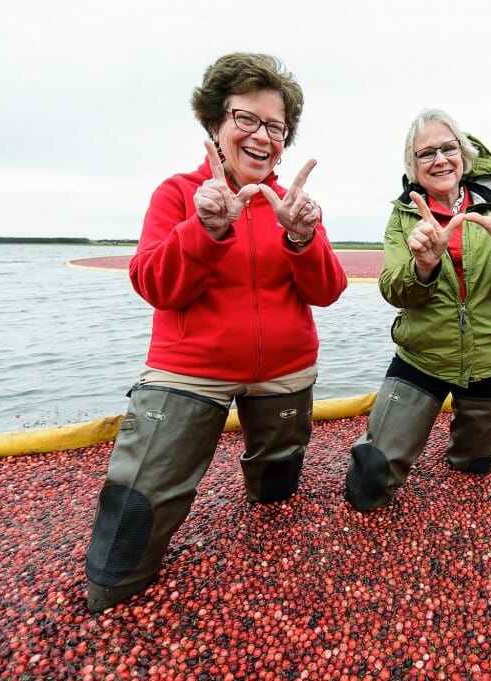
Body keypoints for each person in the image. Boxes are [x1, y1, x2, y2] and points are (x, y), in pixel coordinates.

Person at [84, 53, 347, 612]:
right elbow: (155, 285)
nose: (262, 136)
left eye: (275, 127)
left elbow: (327, 292)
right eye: (245, 119)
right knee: (137, 509)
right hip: (187, 372)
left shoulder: (292, 205)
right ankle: (112, 592)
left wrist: (303, 237)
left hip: (285, 370)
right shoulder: (178, 193)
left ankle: (270, 555)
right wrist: (204, 226)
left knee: (277, 489)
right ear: (214, 124)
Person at [344, 108, 491, 511]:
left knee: (473, 468)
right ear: (412, 166)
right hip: (422, 355)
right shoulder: (402, 216)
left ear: (463, 155)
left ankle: (466, 443)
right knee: (367, 487)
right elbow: (394, 291)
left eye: (448, 148)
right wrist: (423, 265)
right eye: (426, 153)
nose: (439, 159)